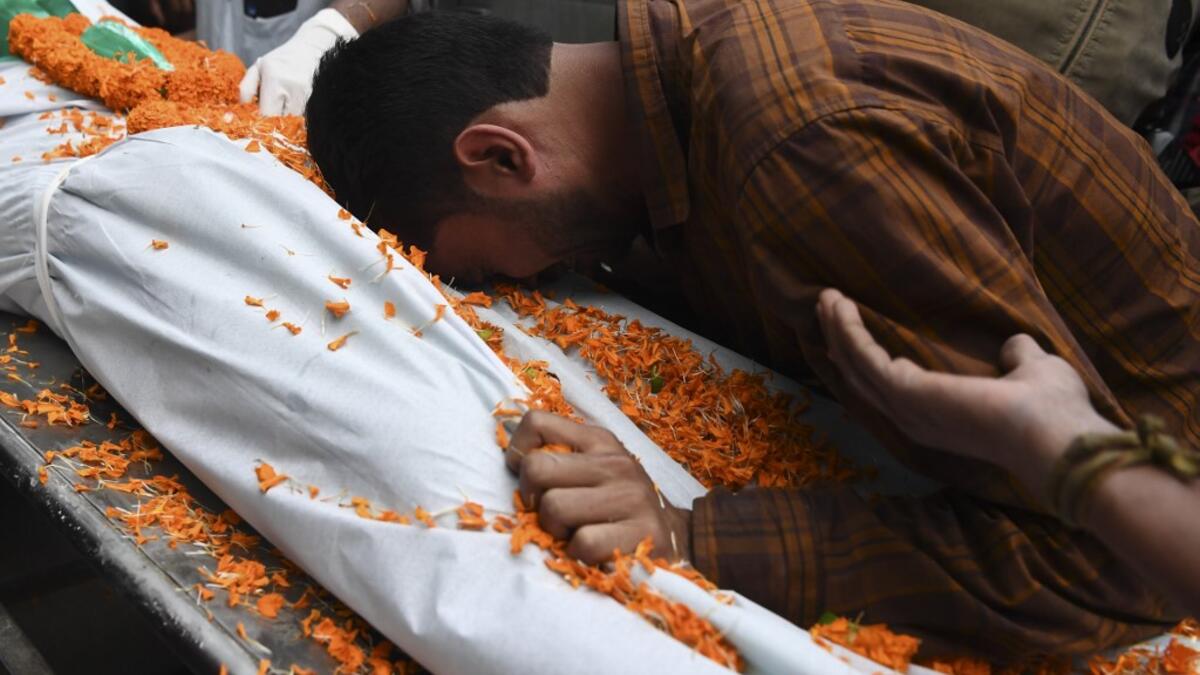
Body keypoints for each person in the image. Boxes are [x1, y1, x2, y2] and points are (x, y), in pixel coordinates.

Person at [303, 0, 1200, 661]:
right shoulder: (693, 84)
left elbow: (1105, 566)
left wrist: (696, 537)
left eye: (493, 271)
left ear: (501, 156)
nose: (528, 285)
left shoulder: (796, 149)